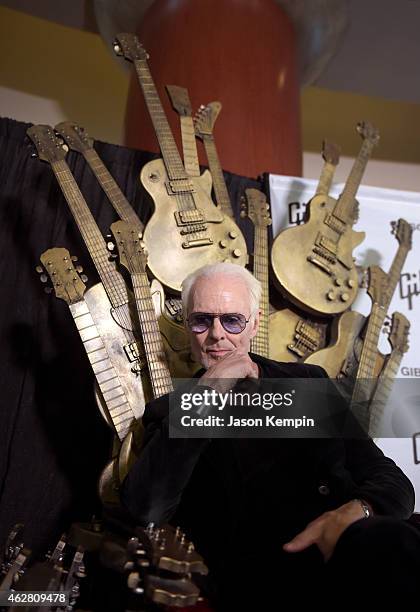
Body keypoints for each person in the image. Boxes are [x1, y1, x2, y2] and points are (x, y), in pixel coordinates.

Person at [121, 263, 419, 609]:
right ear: (187, 327)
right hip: (267, 586)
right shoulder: (171, 412)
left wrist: (360, 510)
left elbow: (391, 480)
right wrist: (208, 394)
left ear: (255, 324)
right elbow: (146, 508)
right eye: (201, 320)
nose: (216, 334)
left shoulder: (308, 381)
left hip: (355, 558)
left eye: (232, 320)